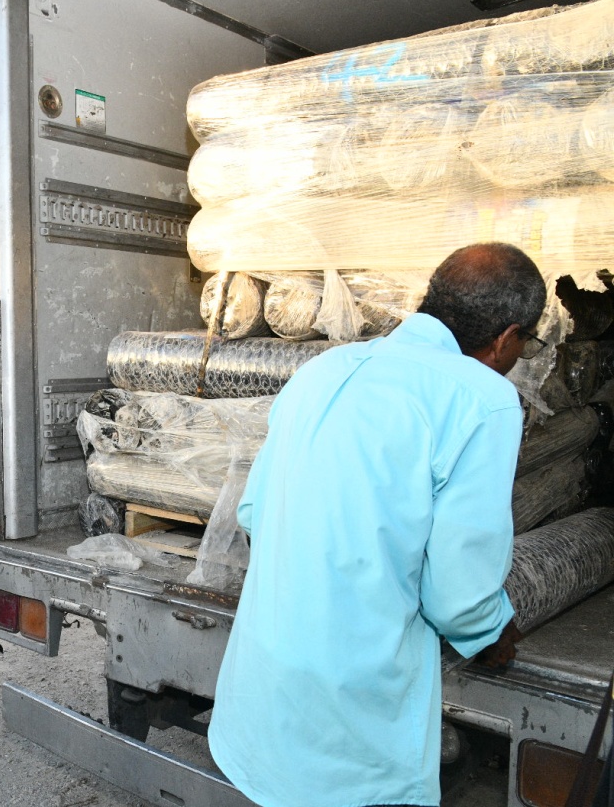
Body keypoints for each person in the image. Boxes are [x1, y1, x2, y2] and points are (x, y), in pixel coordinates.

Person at [208, 243, 546, 807]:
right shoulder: (484, 400)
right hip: (350, 714)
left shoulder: (323, 369)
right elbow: (458, 594)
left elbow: (254, 512)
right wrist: (491, 632)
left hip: (262, 689)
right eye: (527, 343)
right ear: (507, 337)